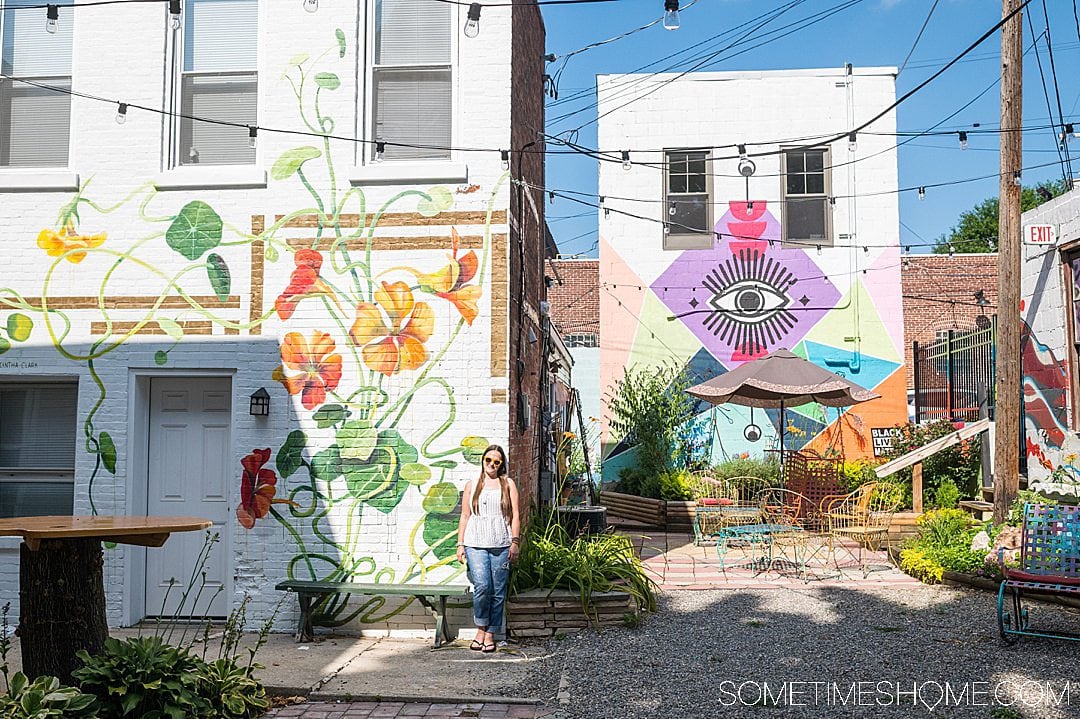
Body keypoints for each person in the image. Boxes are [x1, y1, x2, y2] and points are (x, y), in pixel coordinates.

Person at [456, 444, 520, 653]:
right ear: (482, 460)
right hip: (475, 543)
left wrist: (515, 541)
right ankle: (480, 628)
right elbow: (465, 515)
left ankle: (491, 633)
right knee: (482, 586)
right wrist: (460, 543)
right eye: (488, 460)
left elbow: (515, 515)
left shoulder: (507, 484)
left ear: (501, 464)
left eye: (496, 461)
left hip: (501, 543)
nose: (491, 464)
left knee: (498, 590)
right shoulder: (472, 484)